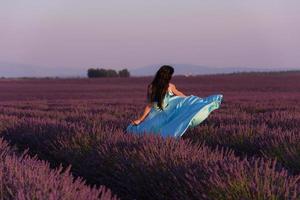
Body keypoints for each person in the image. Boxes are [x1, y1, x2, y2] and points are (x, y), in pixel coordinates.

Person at [126, 65, 223, 138]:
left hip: (156, 115)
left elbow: (149, 105)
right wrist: (191, 101)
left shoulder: (152, 86)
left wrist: (141, 119)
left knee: (147, 131)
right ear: (167, 76)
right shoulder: (169, 86)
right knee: (163, 130)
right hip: (165, 113)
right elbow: (179, 95)